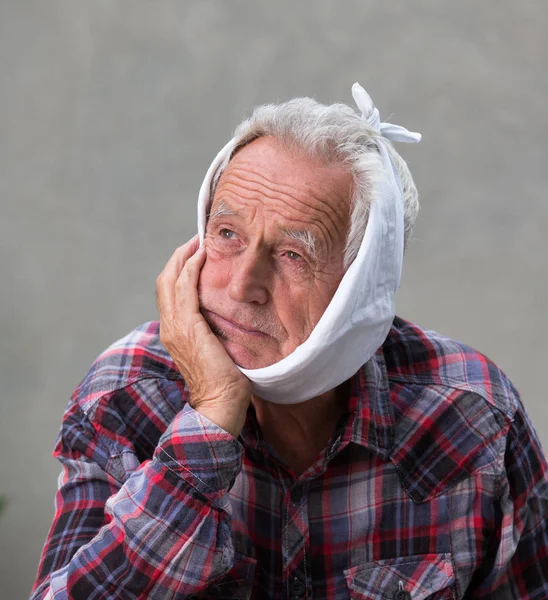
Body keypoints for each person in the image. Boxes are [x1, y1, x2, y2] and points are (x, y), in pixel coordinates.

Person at [31, 84, 548, 599]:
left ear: (362, 286)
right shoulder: (124, 397)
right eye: (227, 234)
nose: (241, 286)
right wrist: (210, 419)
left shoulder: (473, 416)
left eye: (293, 256)